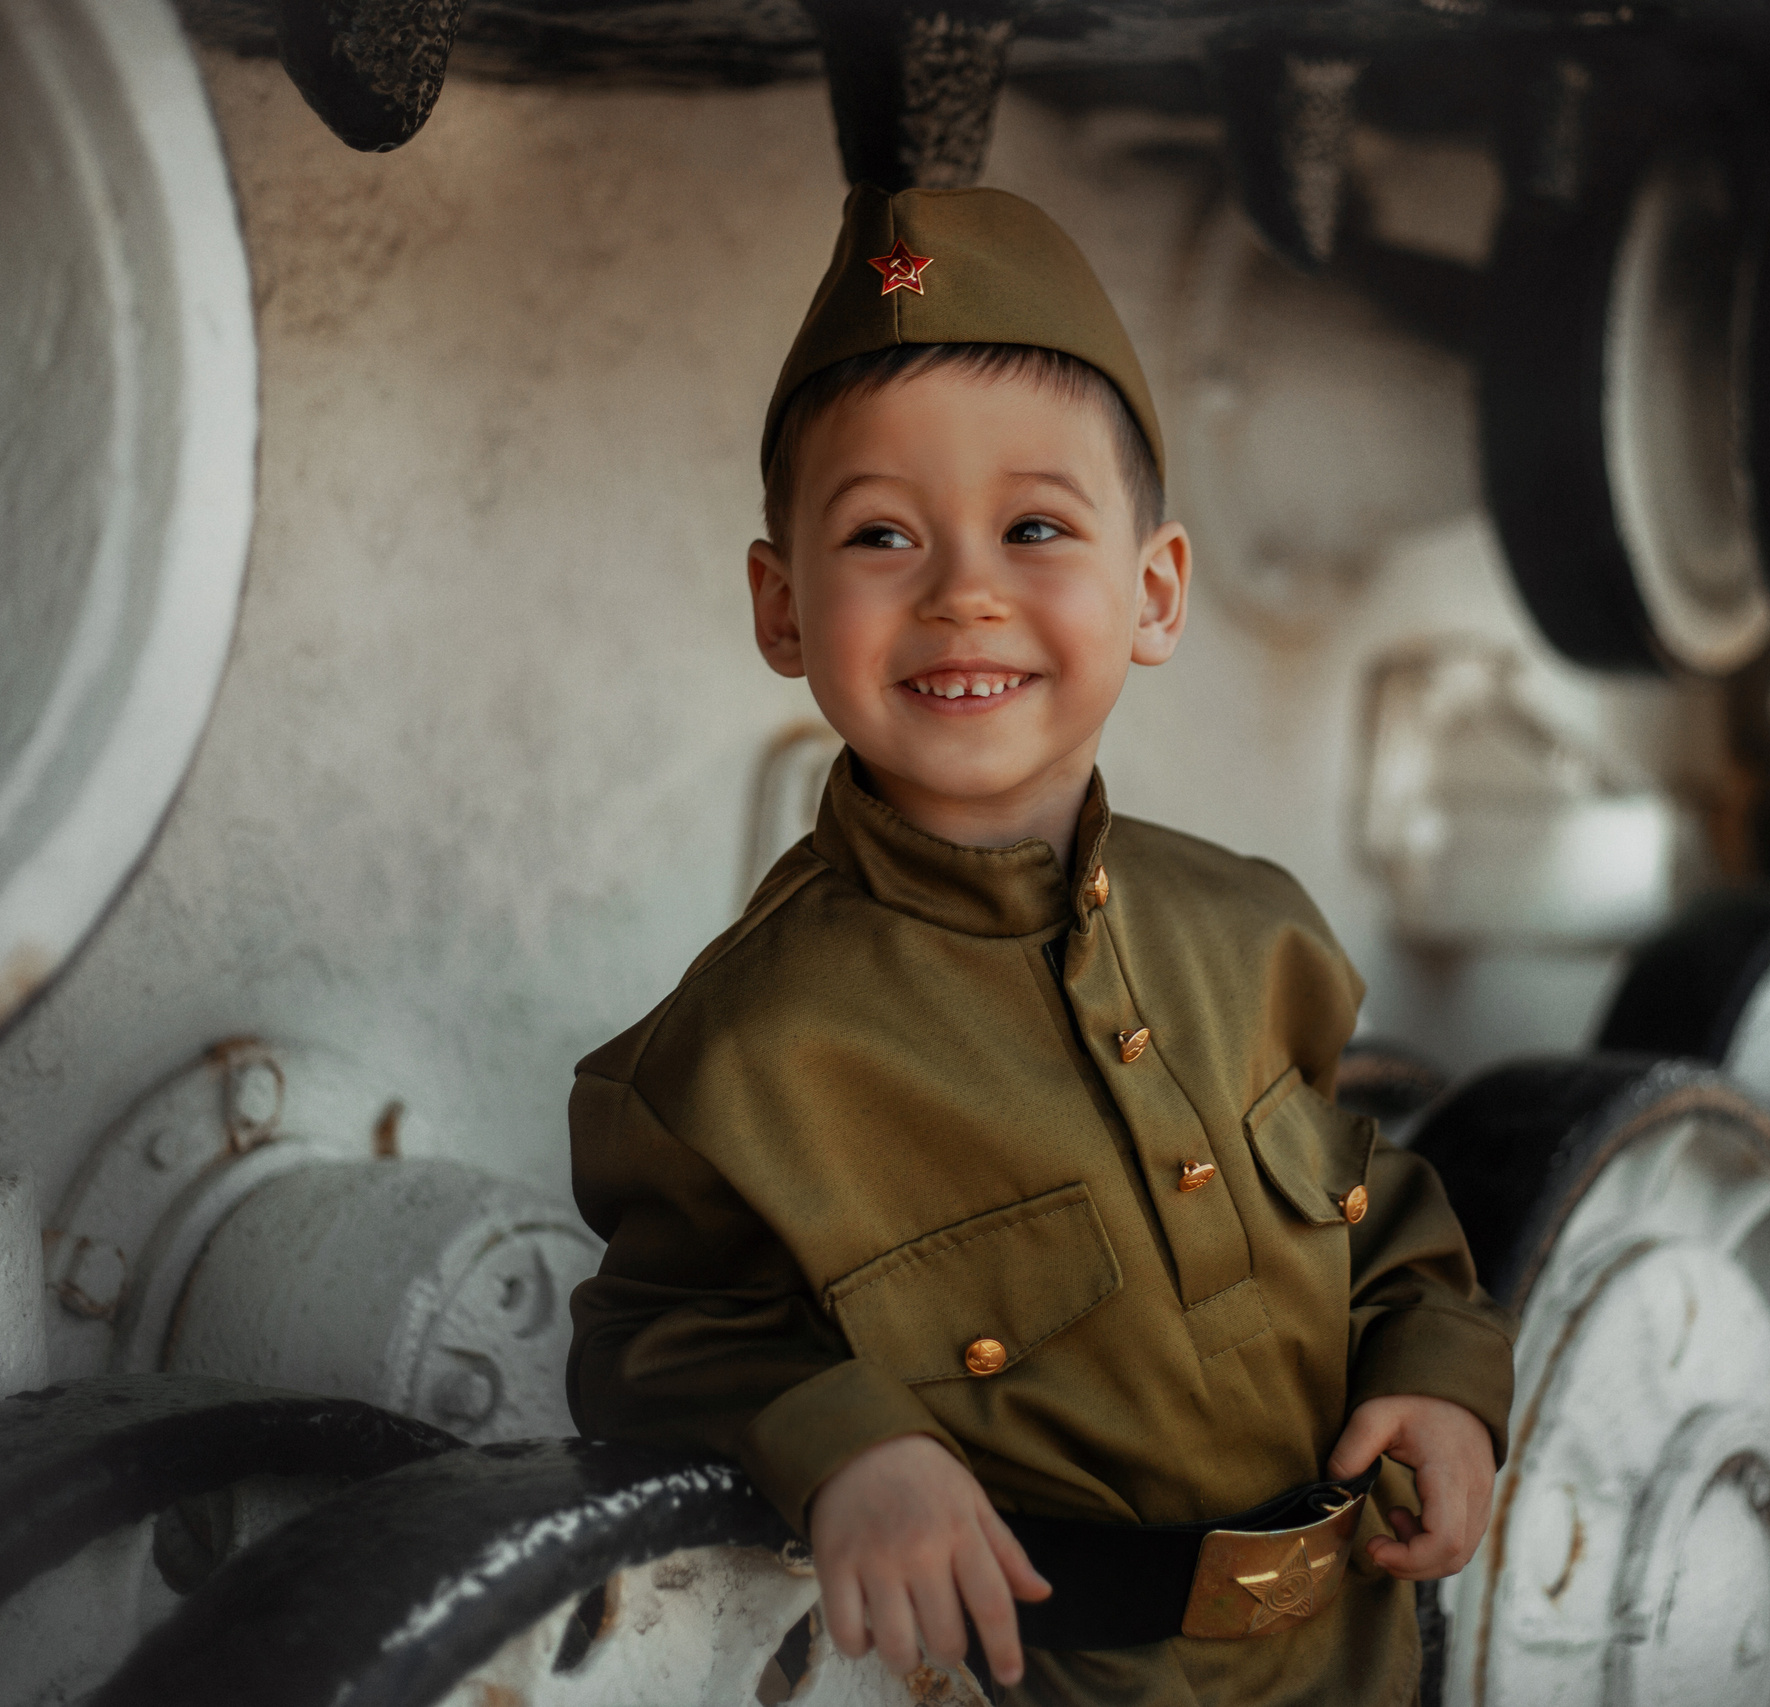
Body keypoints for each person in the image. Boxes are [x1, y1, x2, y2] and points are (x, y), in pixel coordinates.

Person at [565, 182, 1515, 1707]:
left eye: (1034, 526)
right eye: (881, 533)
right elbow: (659, 1332)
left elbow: (1376, 1205)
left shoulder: (1254, 932)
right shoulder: (745, 1056)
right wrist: (846, 1444)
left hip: (1356, 1665)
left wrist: (1440, 1381)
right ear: (781, 605)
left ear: (1153, 592)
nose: (963, 592)